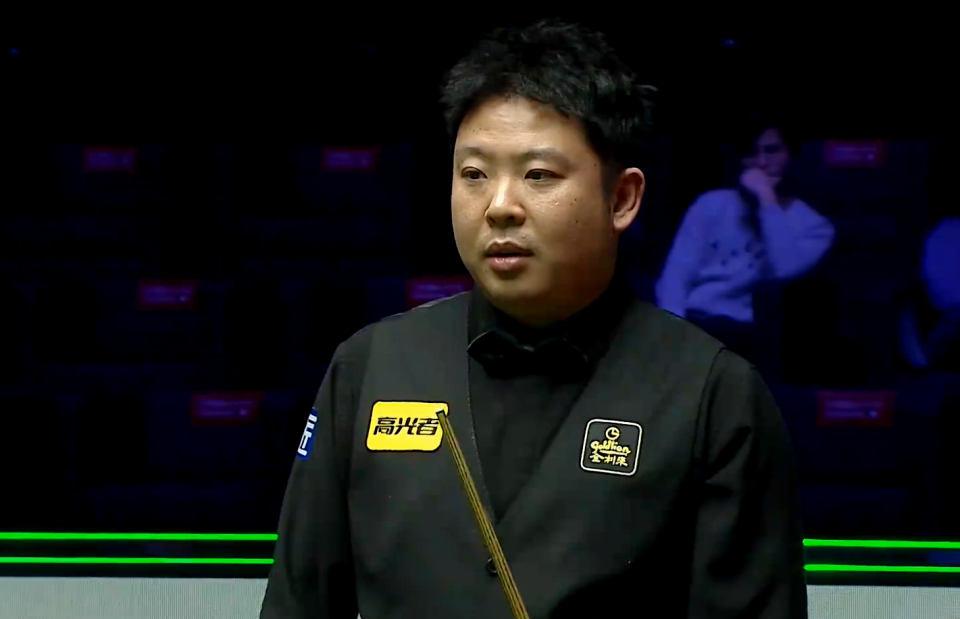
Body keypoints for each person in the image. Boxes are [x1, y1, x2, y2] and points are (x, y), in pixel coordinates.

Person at [260, 19, 807, 619]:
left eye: (538, 175)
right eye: (473, 174)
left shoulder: (715, 396)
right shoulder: (369, 368)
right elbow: (297, 605)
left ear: (622, 198)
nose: (499, 206)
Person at [655, 119, 835, 363]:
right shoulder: (711, 204)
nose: (761, 163)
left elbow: (783, 268)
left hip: (763, 334)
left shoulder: (815, 226)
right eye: (752, 153)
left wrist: (766, 199)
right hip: (700, 322)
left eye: (772, 151)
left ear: (790, 155)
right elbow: (676, 276)